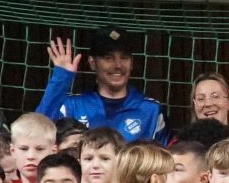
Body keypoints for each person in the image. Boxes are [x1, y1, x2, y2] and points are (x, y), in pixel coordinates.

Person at [37, 28, 166, 141]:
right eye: (108, 58)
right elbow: (38, 133)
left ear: (131, 63)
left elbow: (166, 157)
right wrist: (62, 77)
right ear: (93, 63)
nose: (118, 65)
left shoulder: (151, 110)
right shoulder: (72, 106)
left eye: (124, 57)